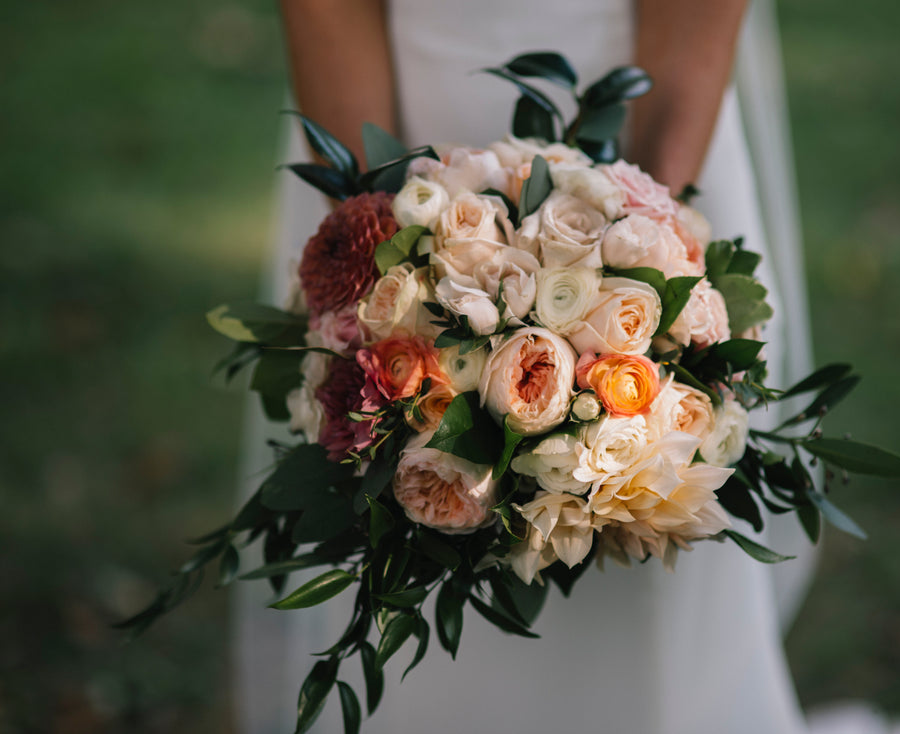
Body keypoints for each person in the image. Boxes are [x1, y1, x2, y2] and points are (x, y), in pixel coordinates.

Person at [235, 0, 821, 731]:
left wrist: (647, 255)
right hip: (407, 125)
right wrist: (384, 264)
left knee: (650, 539)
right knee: (397, 527)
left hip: (653, 130)